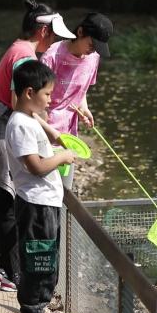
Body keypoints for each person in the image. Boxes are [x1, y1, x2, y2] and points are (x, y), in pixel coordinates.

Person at [0, 0, 76, 292]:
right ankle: (10, 272)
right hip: (0, 135)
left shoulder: (20, 48)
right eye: (54, 37)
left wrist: (50, 131)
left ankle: (6, 268)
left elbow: (21, 104)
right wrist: (52, 137)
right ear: (43, 32)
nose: (55, 44)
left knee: (0, 205)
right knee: (7, 208)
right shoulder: (25, 57)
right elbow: (19, 104)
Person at [5, 60, 75, 313]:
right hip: (37, 205)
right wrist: (61, 157)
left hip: (43, 203)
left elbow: (36, 120)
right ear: (29, 93)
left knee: (44, 259)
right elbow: (35, 166)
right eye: (47, 94)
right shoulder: (20, 125)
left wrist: (55, 134)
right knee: (40, 262)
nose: (51, 99)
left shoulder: (27, 117)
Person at [40, 12, 113, 189]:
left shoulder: (93, 58)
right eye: (91, 44)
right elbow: (34, 103)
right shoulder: (52, 56)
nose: (93, 50)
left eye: (97, 48)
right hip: (45, 131)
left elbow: (82, 89)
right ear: (80, 32)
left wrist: (84, 107)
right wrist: (48, 132)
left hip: (69, 136)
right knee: (44, 189)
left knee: (66, 190)